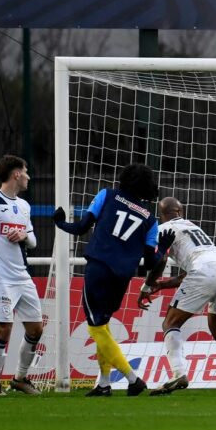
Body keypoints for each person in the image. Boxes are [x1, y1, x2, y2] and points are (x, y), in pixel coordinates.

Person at [53, 163, 174, 397]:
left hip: (99, 268)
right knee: (103, 325)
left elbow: (81, 228)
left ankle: (133, 379)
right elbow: (150, 263)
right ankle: (104, 384)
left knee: (95, 327)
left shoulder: (107, 195)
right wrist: (164, 247)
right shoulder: (150, 219)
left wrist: (59, 222)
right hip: (121, 278)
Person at [138, 197, 216, 396]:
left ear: (161, 214)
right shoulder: (194, 227)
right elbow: (194, 270)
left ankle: (179, 373)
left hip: (204, 272)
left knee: (170, 324)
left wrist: (147, 286)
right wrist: (161, 286)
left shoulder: (163, 230)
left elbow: (160, 259)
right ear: (181, 211)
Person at [0, 155, 42, 396]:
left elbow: (33, 241)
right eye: (26, 172)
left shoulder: (24, 206)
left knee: (36, 329)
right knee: (3, 327)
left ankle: (20, 379)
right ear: (16, 174)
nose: (28, 176)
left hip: (21, 277)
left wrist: (23, 236)